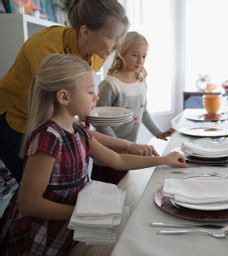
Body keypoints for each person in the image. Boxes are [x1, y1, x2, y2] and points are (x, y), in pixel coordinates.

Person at [0, 54, 187, 255]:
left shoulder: (77, 130)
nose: (96, 97)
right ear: (64, 97)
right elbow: (29, 204)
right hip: (39, 237)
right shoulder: (48, 139)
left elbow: (117, 159)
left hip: (69, 228)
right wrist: (83, 214)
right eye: (90, 91)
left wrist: (163, 160)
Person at [0, 0, 156, 183]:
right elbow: (58, 114)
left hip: (53, 123)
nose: (118, 46)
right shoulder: (48, 48)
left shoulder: (96, 52)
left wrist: (126, 146)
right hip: (15, 120)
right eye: (113, 37)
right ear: (85, 32)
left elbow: (71, 111)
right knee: (36, 188)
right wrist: (124, 146)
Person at [92, 31, 175, 183]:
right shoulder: (110, 84)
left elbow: (144, 111)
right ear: (121, 53)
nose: (140, 61)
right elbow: (99, 122)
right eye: (135, 55)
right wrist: (123, 146)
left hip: (128, 154)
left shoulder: (141, 80)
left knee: (127, 195)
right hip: (108, 157)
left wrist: (159, 133)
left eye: (144, 56)